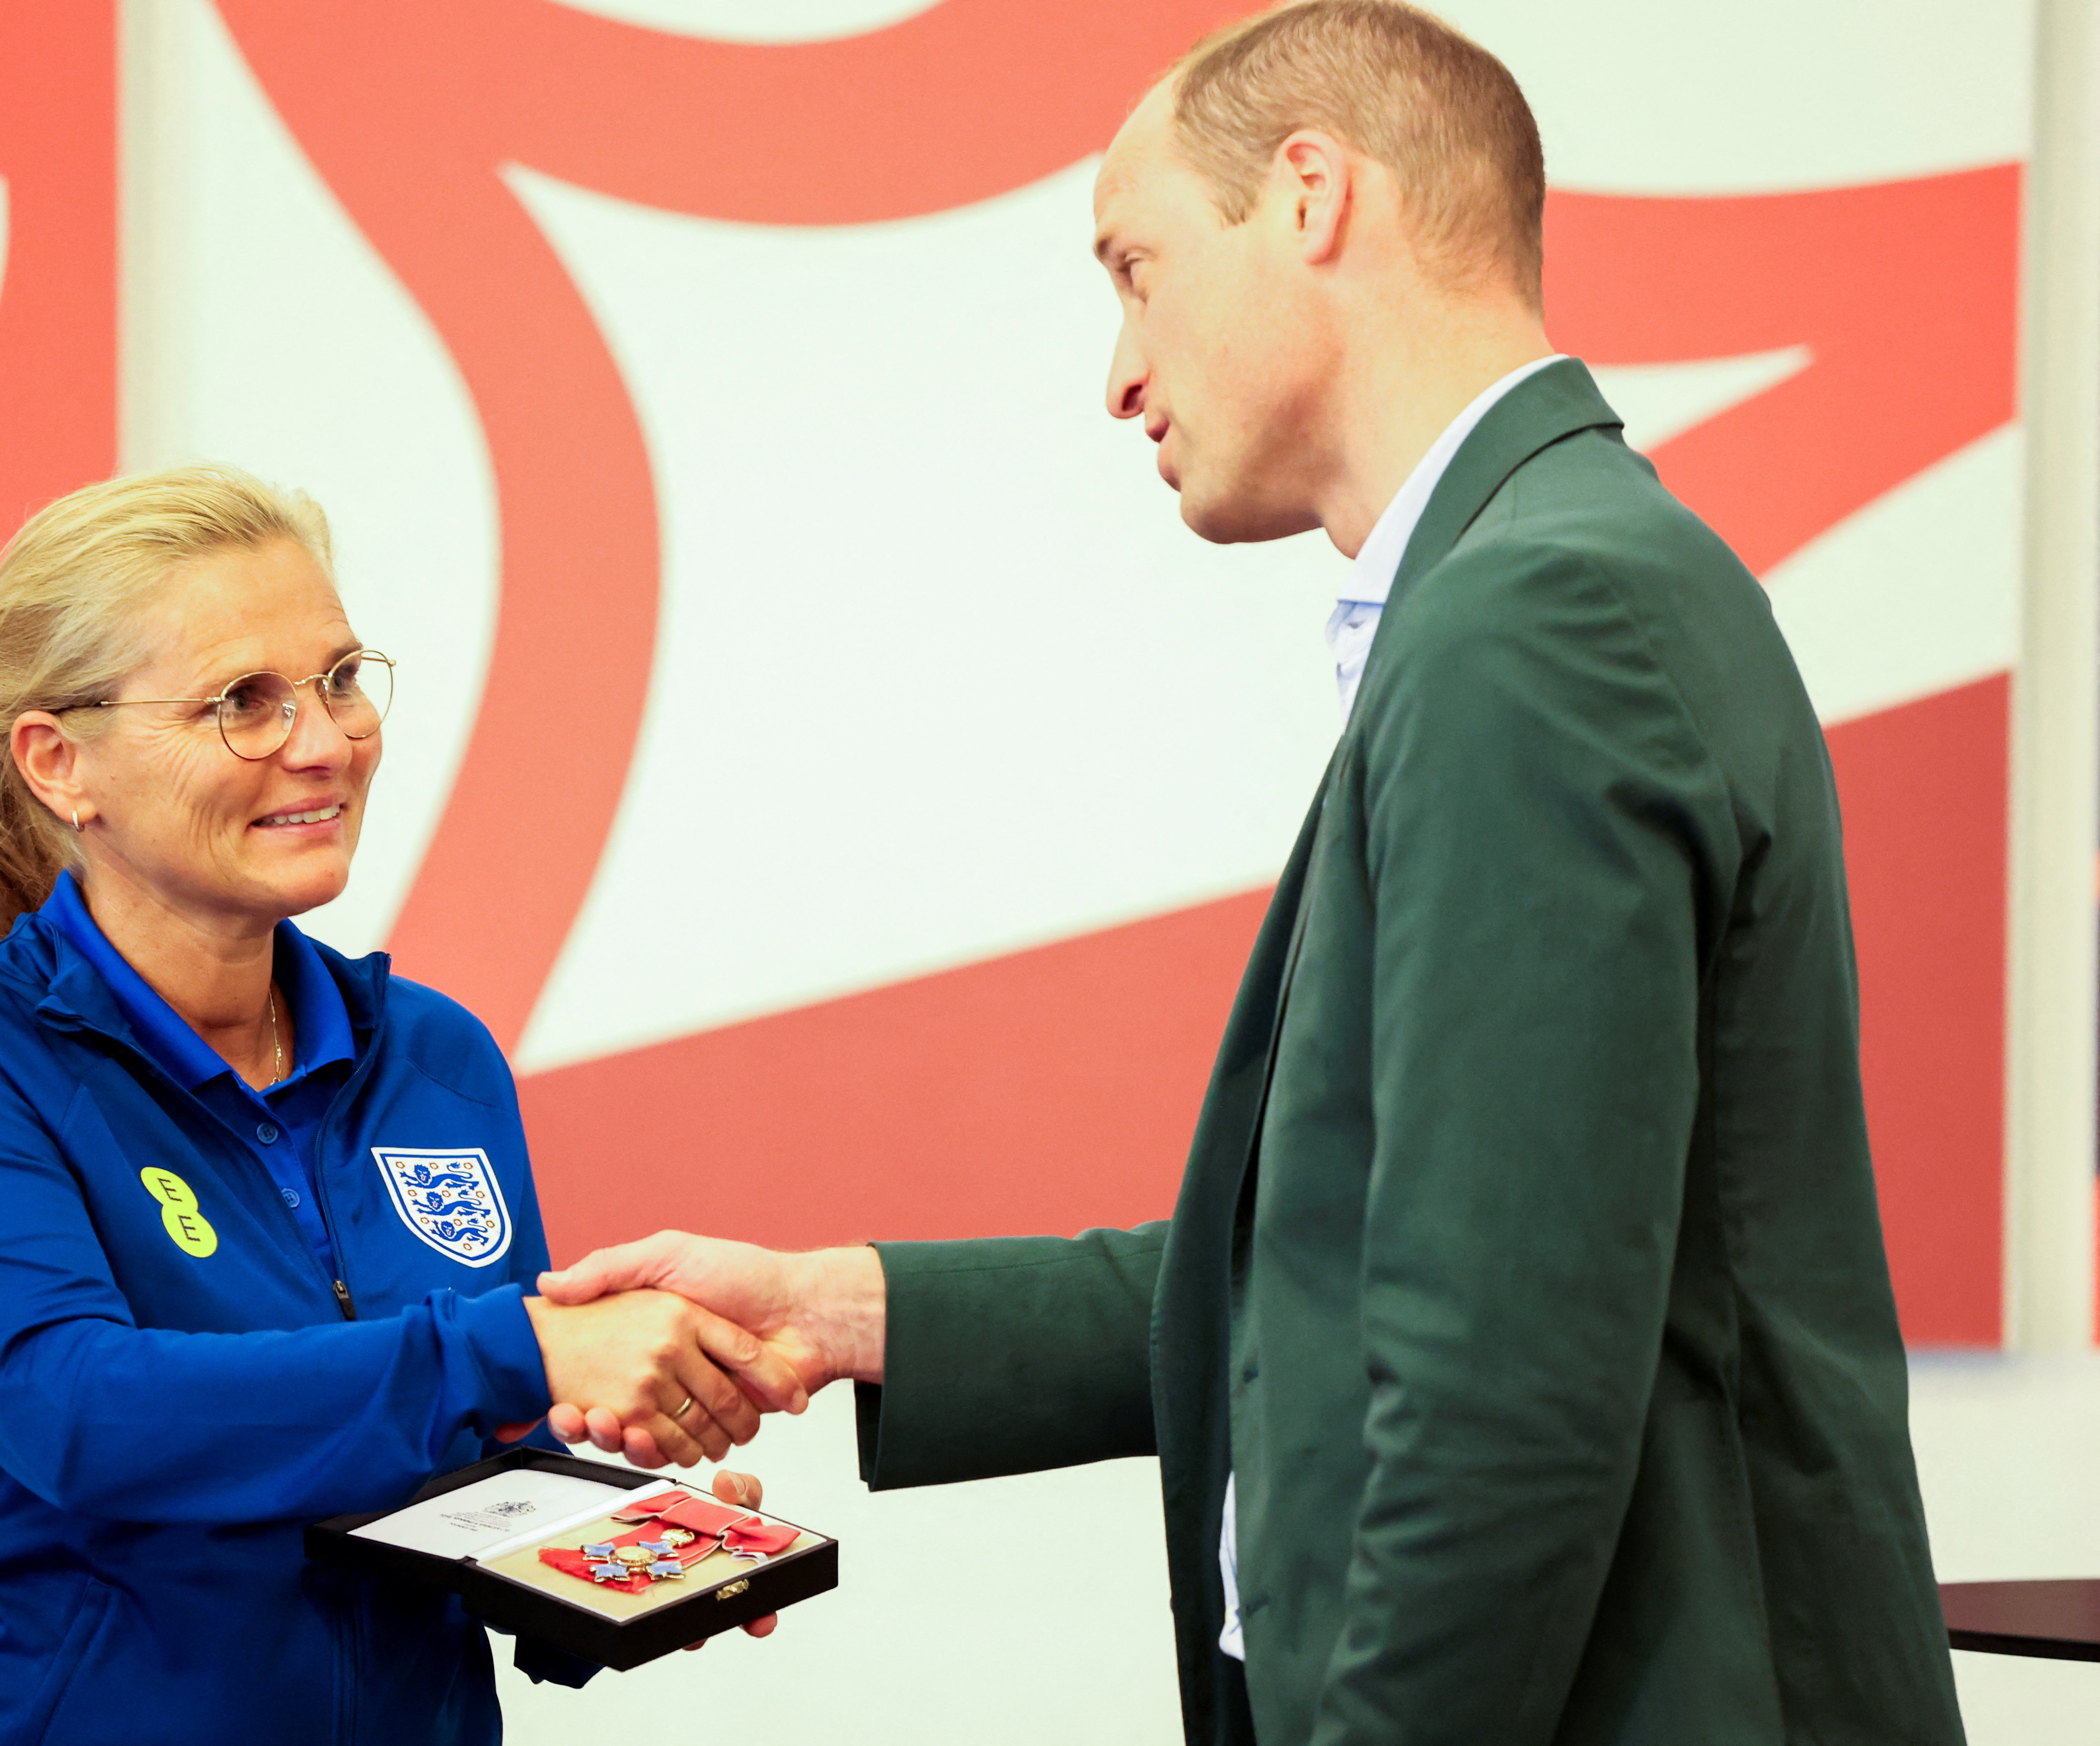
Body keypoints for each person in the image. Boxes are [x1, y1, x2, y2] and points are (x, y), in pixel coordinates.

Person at [536, 5, 1967, 1743]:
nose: (1120, 370)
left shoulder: (1536, 620)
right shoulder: (1547, 578)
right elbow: (1348, 1265)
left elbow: (1502, 1382)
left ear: (1309, 198)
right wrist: (840, 1307)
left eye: (1135, 269)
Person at [0, 464, 803, 1746]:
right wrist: (524, 1347)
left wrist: (612, 1543)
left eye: (341, 678)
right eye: (245, 701)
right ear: (62, 762)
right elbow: (79, 1410)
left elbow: (433, 1471)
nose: (327, 740)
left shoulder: (436, 1057)